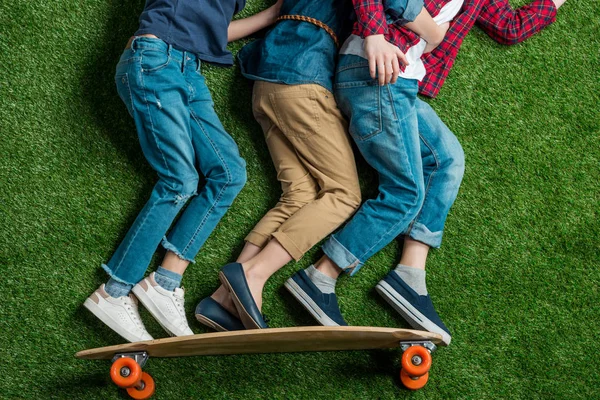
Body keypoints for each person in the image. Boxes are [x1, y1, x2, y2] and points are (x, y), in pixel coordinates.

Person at [281, 0, 565, 346]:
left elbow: (510, 26)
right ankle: (320, 277)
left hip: (403, 84)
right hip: (373, 69)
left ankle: (409, 274)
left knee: (446, 160)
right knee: (405, 193)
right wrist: (373, 32)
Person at [83, 0, 283, 343]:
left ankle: (163, 283)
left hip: (189, 69)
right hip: (155, 59)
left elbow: (211, 32)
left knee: (229, 174)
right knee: (179, 181)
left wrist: (271, 15)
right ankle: (114, 292)